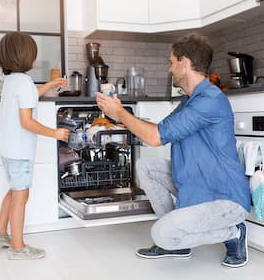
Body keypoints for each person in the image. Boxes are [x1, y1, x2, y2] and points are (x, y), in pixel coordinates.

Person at [95, 33, 251, 268]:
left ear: (185, 63)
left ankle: (233, 233)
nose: (170, 69)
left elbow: (155, 137)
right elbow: (159, 129)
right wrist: (118, 114)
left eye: (171, 62)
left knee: (161, 234)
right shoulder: (189, 101)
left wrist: (120, 114)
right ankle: (177, 242)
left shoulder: (209, 101)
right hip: (198, 187)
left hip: (224, 199)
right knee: (146, 167)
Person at [0, 32, 70, 260]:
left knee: (15, 191)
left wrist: (50, 85)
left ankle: (0, 233)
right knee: (21, 196)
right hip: (20, 151)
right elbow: (27, 122)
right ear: (26, 57)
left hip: (7, 148)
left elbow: (30, 96)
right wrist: (54, 132)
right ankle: (18, 246)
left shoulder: (12, 81)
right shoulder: (23, 81)